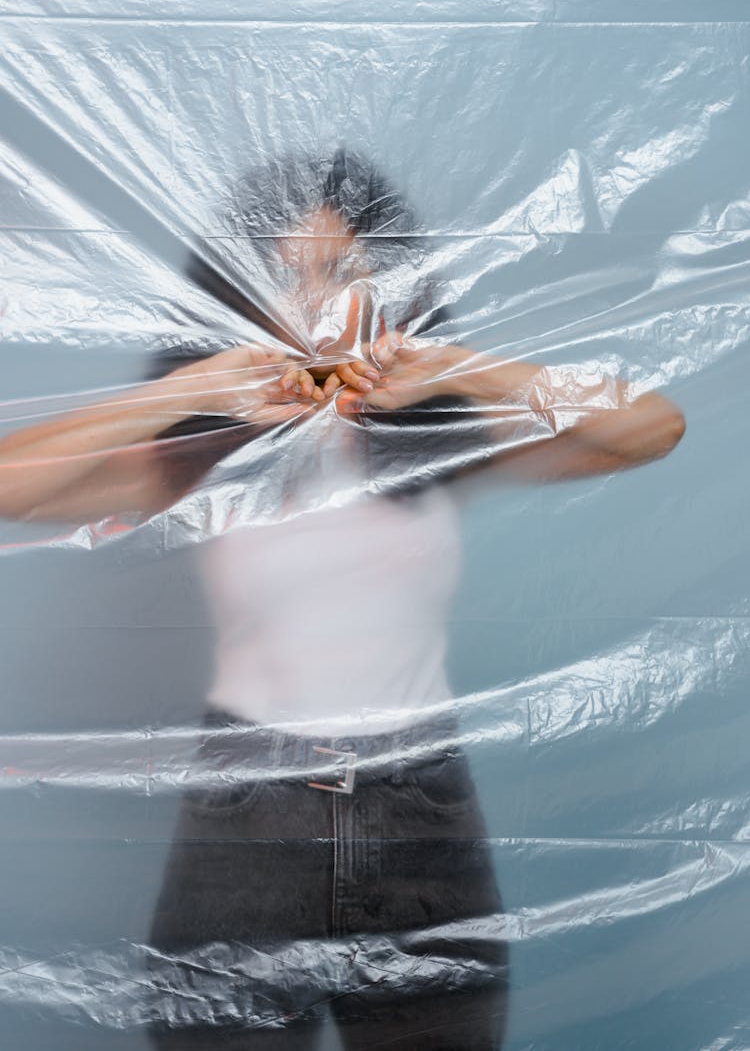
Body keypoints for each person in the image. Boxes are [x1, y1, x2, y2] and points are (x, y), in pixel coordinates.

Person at [0, 149, 686, 1049]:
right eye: (287, 275)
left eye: (345, 271)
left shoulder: (438, 441)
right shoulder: (203, 454)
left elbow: (651, 428)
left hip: (424, 814)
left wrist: (454, 369)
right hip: (247, 814)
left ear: (391, 281)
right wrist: (189, 391)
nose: (318, 302)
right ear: (237, 295)